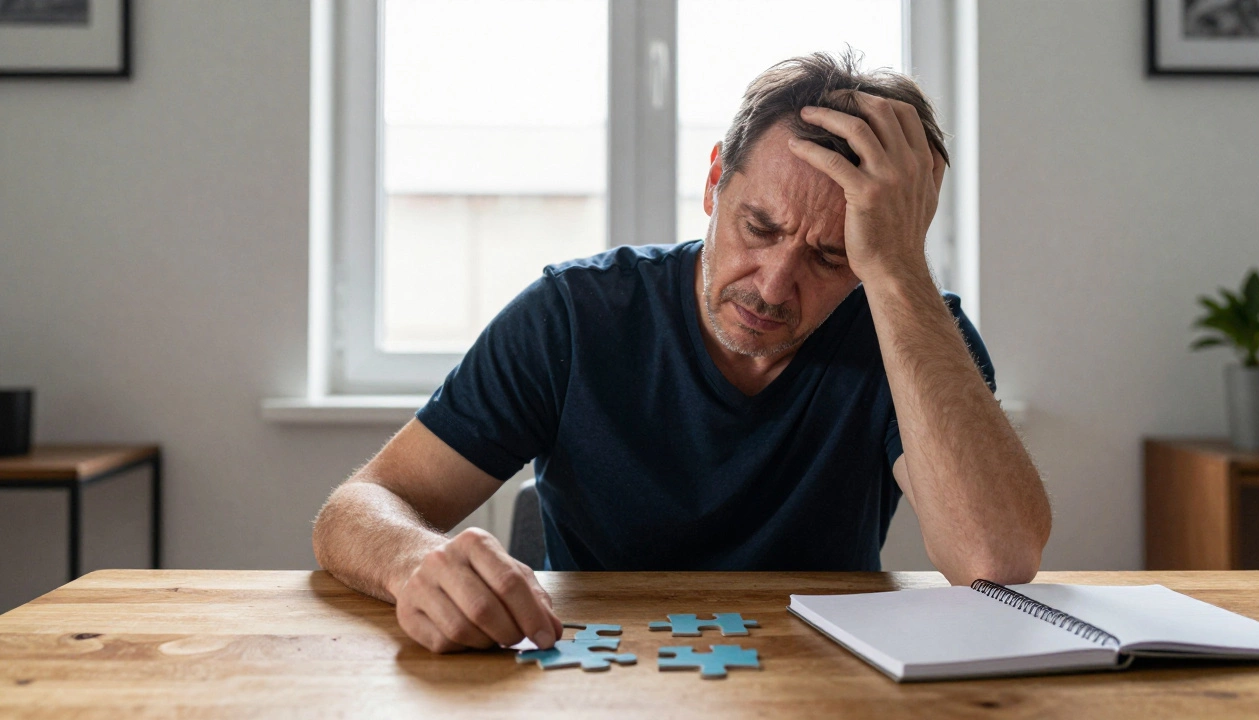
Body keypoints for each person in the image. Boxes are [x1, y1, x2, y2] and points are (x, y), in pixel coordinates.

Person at [312, 50, 1052, 654]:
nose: (774, 284)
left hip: (824, 685)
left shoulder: (915, 331)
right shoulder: (575, 315)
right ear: (712, 183)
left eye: (832, 258)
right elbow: (356, 507)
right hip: (590, 675)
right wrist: (415, 561)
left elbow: (996, 562)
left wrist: (896, 273)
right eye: (758, 226)